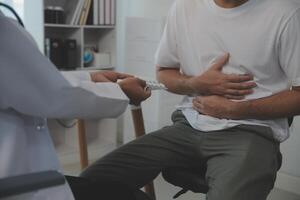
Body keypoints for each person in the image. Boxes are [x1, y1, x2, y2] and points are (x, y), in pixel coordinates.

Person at [79, 0, 300, 200]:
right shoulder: (185, 7)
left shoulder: (286, 13)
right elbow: (164, 71)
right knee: (88, 186)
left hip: (251, 130)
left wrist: (235, 110)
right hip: (188, 124)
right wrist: (197, 84)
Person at [0, 9, 151, 200]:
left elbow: (32, 80)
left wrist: (90, 77)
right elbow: (54, 93)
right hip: (16, 185)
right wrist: (122, 92)